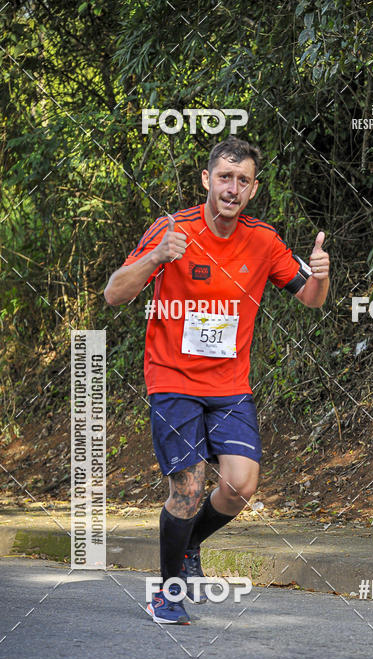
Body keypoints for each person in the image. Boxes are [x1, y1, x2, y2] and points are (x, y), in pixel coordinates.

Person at [104, 136, 330, 625]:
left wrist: (322, 274)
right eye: (224, 177)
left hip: (229, 386)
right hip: (172, 379)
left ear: (252, 189)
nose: (232, 188)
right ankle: (165, 592)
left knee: (240, 485)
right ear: (207, 179)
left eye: (242, 180)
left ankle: (189, 545)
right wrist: (156, 257)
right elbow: (114, 293)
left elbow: (310, 297)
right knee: (187, 488)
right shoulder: (171, 230)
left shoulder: (263, 240)